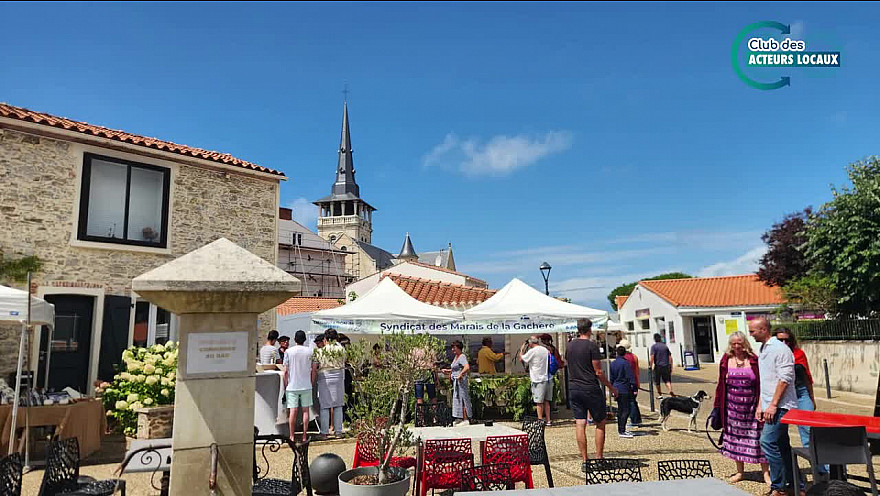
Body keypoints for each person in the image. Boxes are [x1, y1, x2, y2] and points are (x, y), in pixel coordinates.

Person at [749, 317, 800, 496]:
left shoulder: (780, 349)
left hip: (781, 405)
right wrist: (760, 405)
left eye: (753, 331)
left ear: (763, 329)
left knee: (767, 441)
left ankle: (779, 487)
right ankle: (796, 484)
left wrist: (773, 405)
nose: (751, 334)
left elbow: (784, 379)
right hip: (770, 404)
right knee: (782, 444)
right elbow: (766, 382)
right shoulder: (763, 349)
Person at [713, 331, 771, 487]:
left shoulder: (754, 360)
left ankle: (766, 473)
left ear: (745, 343)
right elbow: (720, 384)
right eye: (734, 344)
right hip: (732, 409)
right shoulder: (726, 360)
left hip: (752, 408)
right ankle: (740, 472)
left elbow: (762, 385)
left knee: (759, 441)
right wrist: (717, 406)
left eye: (739, 343)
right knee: (734, 440)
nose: (737, 346)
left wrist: (761, 405)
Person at [566, 318, 617, 473]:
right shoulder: (591, 346)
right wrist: (611, 387)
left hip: (574, 387)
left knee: (580, 423)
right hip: (590, 387)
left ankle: (585, 460)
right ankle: (599, 458)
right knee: (600, 422)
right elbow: (598, 372)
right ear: (589, 329)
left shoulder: (570, 346)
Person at [776, 328, 827, 477]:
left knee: (809, 431)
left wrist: (811, 397)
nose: (784, 343)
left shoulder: (798, 354)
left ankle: (821, 469)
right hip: (782, 396)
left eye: (787, 340)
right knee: (778, 434)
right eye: (780, 340)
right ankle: (786, 472)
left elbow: (807, 376)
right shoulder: (771, 354)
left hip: (800, 393)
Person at [313, 329, 346, 438]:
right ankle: (338, 431)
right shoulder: (341, 349)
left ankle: (324, 432)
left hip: (325, 376)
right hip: (338, 376)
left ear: (325, 338)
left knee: (324, 406)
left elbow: (316, 365)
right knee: (338, 405)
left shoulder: (321, 351)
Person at [283, 331, 313, 443]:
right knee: (306, 411)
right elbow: (313, 369)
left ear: (295, 339)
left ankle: (292, 435)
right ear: (304, 339)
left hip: (292, 385)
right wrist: (311, 381)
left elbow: (286, 370)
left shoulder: (289, 352)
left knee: (293, 411)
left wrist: (285, 383)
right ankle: (304, 435)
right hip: (306, 384)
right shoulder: (310, 351)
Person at [519, 336, 552, 424]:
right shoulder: (544, 349)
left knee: (539, 402)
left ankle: (540, 420)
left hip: (537, 378)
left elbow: (521, 359)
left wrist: (521, 350)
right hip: (546, 377)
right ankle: (548, 420)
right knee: (546, 401)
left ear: (531, 343)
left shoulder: (533, 351)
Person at [442, 340, 472, 425]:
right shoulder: (456, 357)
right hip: (455, 381)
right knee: (457, 398)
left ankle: (466, 418)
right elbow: (455, 368)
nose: (452, 349)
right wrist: (448, 371)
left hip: (461, 381)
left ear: (458, 347)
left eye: (454, 347)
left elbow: (467, 367)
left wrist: (461, 374)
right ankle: (459, 417)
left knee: (463, 398)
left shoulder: (462, 356)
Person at [609, 345, 637, 438]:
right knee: (626, 410)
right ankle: (622, 430)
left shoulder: (613, 364)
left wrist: (611, 388)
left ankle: (621, 428)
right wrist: (634, 388)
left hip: (616, 387)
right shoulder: (626, 363)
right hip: (624, 388)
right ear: (624, 353)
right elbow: (630, 376)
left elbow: (611, 377)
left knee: (620, 409)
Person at [618, 339, 642, 427]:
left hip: (626, 382)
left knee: (630, 402)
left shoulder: (622, 358)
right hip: (634, 380)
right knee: (633, 401)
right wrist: (637, 382)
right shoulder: (634, 356)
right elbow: (636, 371)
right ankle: (636, 418)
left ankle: (634, 419)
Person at [539, 333, 565, 413]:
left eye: (542, 339)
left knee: (549, 394)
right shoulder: (553, 348)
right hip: (553, 371)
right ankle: (552, 407)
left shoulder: (548, 348)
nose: (541, 341)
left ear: (546, 340)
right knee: (551, 392)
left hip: (549, 372)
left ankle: (550, 408)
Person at [649, 333, 675, 398]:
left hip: (658, 366)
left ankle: (660, 394)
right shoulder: (665, 346)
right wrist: (671, 365)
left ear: (654, 339)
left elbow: (652, 356)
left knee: (657, 381)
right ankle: (670, 390)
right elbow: (670, 357)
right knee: (667, 380)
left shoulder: (654, 347)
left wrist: (650, 365)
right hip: (666, 366)